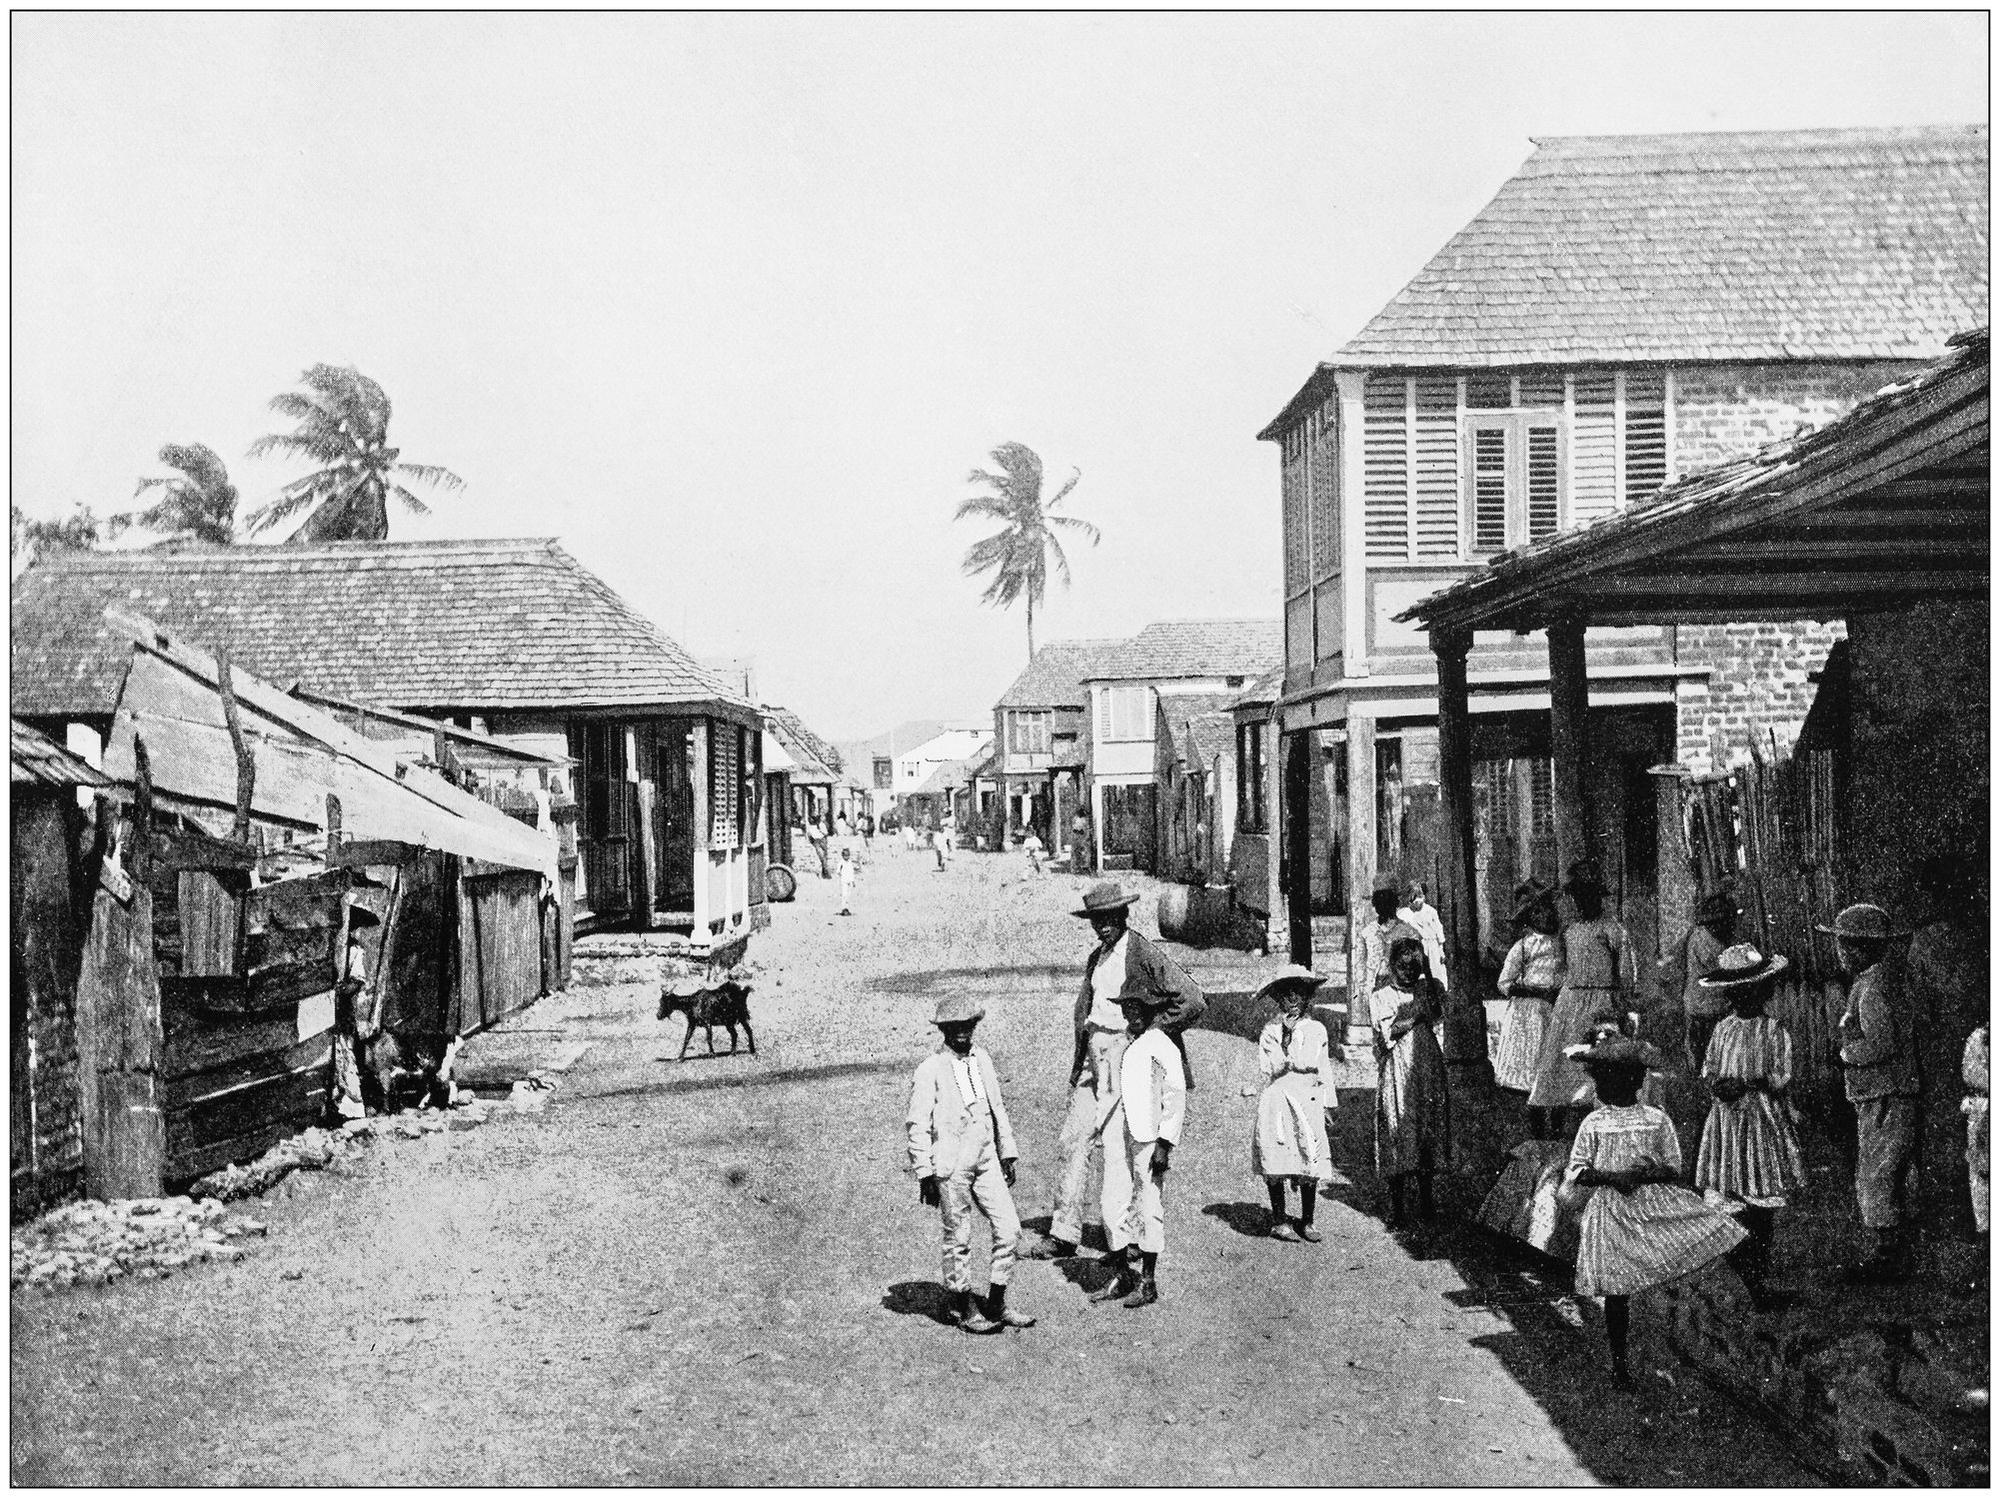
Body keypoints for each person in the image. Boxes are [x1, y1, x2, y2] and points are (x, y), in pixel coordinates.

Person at [1019, 882, 1206, 1261]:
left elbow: (1192, 1000)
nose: (1103, 926)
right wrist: (1078, 1067)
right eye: (1096, 921)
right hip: (1095, 1058)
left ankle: (1129, 1238)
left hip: (1127, 1056)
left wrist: (1150, 1035)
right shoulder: (1097, 957)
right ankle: (1064, 1232)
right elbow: (1085, 1017)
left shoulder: (1143, 954)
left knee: (1125, 1150)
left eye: (1109, 919)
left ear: (1123, 915)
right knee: (1074, 1138)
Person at [1561, 1034, 1747, 1388]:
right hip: (1612, 1212)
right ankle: (1620, 1366)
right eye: (1604, 1079)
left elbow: (1674, 1167)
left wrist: (1643, 1173)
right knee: (1617, 1294)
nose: (1608, 1086)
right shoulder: (1594, 1123)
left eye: (1617, 1079)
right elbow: (1578, 1169)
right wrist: (1615, 1177)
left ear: (1636, 1082)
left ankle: (1660, 1351)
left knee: (1658, 1275)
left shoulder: (1656, 1120)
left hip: (1650, 1206)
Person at [904, 996, 1035, 1335]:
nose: (963, 1032)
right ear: (944, 1029)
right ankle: (964, 1306)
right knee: (958, 1235)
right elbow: (917, 1125)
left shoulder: (983, 1060)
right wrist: (925, 1174)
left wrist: (1008, 1152)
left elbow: (997, 1107)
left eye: (968, 1025)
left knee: (1009, 1228)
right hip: (950, 1163)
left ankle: (997, 1301)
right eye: (955, 1027)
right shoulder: (930, 1069)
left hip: (986, 1155)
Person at [1693, 943, 1806, 1311]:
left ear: (1765, 990)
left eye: (1751, 988)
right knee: (1730, 1200)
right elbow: (1709, 1067)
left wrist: (1749, 1083)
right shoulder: (1722, 1029)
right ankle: (1746, 1277)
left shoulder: (1774, 1031)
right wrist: (1717, 1084)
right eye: (1736, 990)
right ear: (1728, 993)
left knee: (1761, 1204)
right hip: (1727, 1122)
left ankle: (1758, 1283)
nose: (1743, 996)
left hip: (1759, 1121)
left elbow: (1781, 1076)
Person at [1820, 902, 1919, 1283]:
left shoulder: (1871, 990)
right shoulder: (1876, 984)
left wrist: (1846, 1053)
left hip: (1885, 1095)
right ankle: (1894, 1252)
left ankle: (1888, 1257)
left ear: (1860, 950)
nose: (1840, 955)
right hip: (1886, 1093)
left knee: (1878, 1172)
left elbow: (1883, 1044)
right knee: (1888, 1171)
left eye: (1844, 947)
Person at [1088, 987, 1187, 1309]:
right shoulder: (1120, 1044)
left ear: (1152, 1010)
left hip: (1148, 1135)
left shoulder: (1161, 1045)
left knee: (1147, 1202)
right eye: (1127, 1007)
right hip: (1117, 1131)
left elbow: (1174, 1095)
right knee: (1112, 1198)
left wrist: (1165, 1143)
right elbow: (1106, 1088)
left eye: (1138, 1008)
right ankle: (1121, 1273)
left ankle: (1147, 1281)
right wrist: (1099, 1125)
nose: (1132, 1014)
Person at [1528, 859, 1638, 1133]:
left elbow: (1626, 973)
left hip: (1601, 1002)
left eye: (1588, 896)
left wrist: (1622, 1005)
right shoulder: (1570, 930)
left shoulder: (1613, 930)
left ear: (1598, 899)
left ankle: (1600, 1120)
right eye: (1579, 897)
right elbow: (1564, 966)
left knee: (1596, 1062)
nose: (1583, 902)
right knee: (1559, 1063)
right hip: (1570, 1000)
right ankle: (1555, 1124)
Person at [1371, 935, 1452, 1228]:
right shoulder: (1381, 996)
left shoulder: (1426, 988)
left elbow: (1438, 1012)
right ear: (1393, 966)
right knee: (1399, 1127)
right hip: (1399, 1066)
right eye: (1403, 967)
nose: (1409, 973)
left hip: (1426, 1064)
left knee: (1426, 1128)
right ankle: (1398, 1206)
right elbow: (1388, 1032)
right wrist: (1416, 1015)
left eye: (1415, 968)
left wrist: (1428, 975)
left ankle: (1427, 1199)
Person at [1252, 966, 1338, 1242]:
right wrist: (1285, 1038)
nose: (1293, 1002)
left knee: (1308, 1154)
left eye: (1298, 996)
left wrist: (1326, 1104)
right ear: (1279, 1001)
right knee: (1279, 1153)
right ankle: (1279, 1219)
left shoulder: (1317, 1029)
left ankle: (1308, 1220)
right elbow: (1270, 1067)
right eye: (1287, 997)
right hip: (1279, 1095)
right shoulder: (1270, 1031)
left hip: (1307, 1094)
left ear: (1307, 998)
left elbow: (1323, 1067)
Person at [1495, 878, 1565, 1133]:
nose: (1545, 915)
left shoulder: (1562, 943)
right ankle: (1536, 1129)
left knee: (1554, 1070)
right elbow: (1504, 983)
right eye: (1537, 911)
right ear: (1529, 918)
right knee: (1533, 1071)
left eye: (1547, 908)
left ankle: (1556, 1128)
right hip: (1530, 1015)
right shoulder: (1523, 947)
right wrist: (1534, 991)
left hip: (1556, 1011)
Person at [1678, 890, 1740, 1073]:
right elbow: (1722, 965)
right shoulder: (1703, 939)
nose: (1721, 926)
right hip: (1703, 1005)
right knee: (1703, 1053)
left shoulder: (1714, 939)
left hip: (1714, 1006)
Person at [1354, 871, 1420, 998]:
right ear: (1374, 903)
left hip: (1403, 998)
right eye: (1379, 900)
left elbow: (1416, 970)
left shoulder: (1409, 932)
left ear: (1395, 902)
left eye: (1387, 899)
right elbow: (1360, 970)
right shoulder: (1367, 933)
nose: (1382, 905)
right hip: (1374, 998)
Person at [1398, 879, 1450, 990]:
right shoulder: (1406, 914)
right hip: (1416, 948)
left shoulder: (1430, 911)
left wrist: (1441, 949)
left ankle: (1440, 992)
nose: (1417, 901)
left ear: (1424, 897)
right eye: (1414, 898)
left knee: (1435, 972)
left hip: (1432, 947)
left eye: (1419, 897)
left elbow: (1438, 930)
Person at [1963, 1021, 1989, 1241]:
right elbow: (1972, 1074)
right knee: (1981, 1168)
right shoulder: (1979, 1037)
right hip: (1982, 1108)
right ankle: (1985, 1228)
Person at [836, 845, 858, 916]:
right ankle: (843, 908)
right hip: (844, 881)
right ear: (842, 856)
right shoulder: (841, 863)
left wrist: (853, 881)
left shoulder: (850, 862)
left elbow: (852, 872)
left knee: (848, 895)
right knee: (844, 895)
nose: (847, 857)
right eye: (845, 856)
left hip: (849, 881)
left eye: (848, 855)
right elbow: (838, 871)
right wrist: (841, 875)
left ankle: (847, 908)